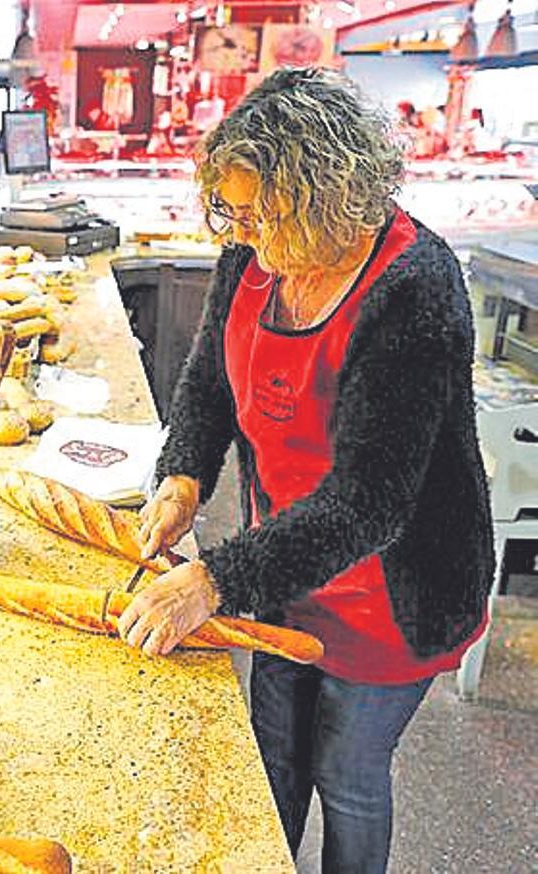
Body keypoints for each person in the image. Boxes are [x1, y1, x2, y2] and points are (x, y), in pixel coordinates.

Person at [116, 68, 492, 874]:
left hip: (392, 588)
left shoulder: (415, 287)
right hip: (283, 565)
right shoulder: (253, 258)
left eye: (261, 213)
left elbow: (370, 503)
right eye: (233, 210)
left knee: (347, 777)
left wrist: (211, 581)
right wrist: (183, 474)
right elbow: (209, 383)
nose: (243, 234)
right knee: (273, 764)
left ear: (328, 193)